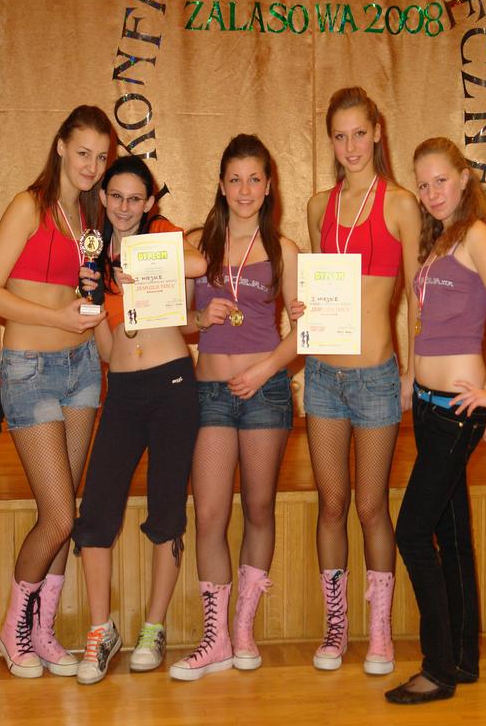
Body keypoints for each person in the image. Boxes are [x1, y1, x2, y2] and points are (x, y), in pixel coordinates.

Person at [385, 137, 486, 705]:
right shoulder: (437, 239)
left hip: (455, 409)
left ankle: (438, 669)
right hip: (427, 403)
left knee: (412, 532)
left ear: (465, 178)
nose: (431, 192)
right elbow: (424, 320)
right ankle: (463, 657)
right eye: (423, 184)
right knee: (452, 533)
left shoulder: (476, 235)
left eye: (440, 180)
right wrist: (409, 377)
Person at [0, 106, 112, 678]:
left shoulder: (90, 218)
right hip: (29, 370)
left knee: (66, 512)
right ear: (60, 147)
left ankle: (44, 631)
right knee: (57, 516)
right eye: (82, 153)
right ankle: (15, 629)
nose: (92, 165)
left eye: (101, 157)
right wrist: (57, 318)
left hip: (82, 370)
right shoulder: (28, 206)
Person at [71, 155, 208, 685]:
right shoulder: (94, 250)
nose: (125, 207)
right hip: (124, 390)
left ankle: (154, 627)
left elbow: (198, 264)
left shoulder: (161, 233)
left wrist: (148, 266)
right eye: (116, 197)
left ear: (149, 201)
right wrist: (92, 300)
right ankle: (100, 629)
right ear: (103, 198)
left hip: (173, 385)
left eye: (135, 198)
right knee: (96, 511)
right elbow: (108, 349)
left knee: (166, 510)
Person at [169, 135, 300, 681]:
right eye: (234, 179)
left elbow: (307, 331)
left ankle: (242, 629)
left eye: (254, 179)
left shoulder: (286, 250)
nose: (244, 190)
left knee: (260, 509)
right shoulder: (195, 246)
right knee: (210, 515)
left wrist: (265, 370)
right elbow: (171, 320)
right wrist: (202, 320)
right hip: (210, 395)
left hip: (266, 392)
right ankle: (215, 638)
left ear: (268, 187)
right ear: (221, 186)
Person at [300, 87, 421, 674]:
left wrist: (412, 372)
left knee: (372, 506)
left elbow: (418, 297)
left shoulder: (400, 204)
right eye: (339, 136)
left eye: (359, 133)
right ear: (331, 140)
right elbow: (316, 288)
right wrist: (300, 311)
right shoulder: (317, 206)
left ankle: (379, 632)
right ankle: (335, 629)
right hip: (322, 377)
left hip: (375, 378)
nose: (350, 146)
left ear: (377, 132)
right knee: (331, 503)